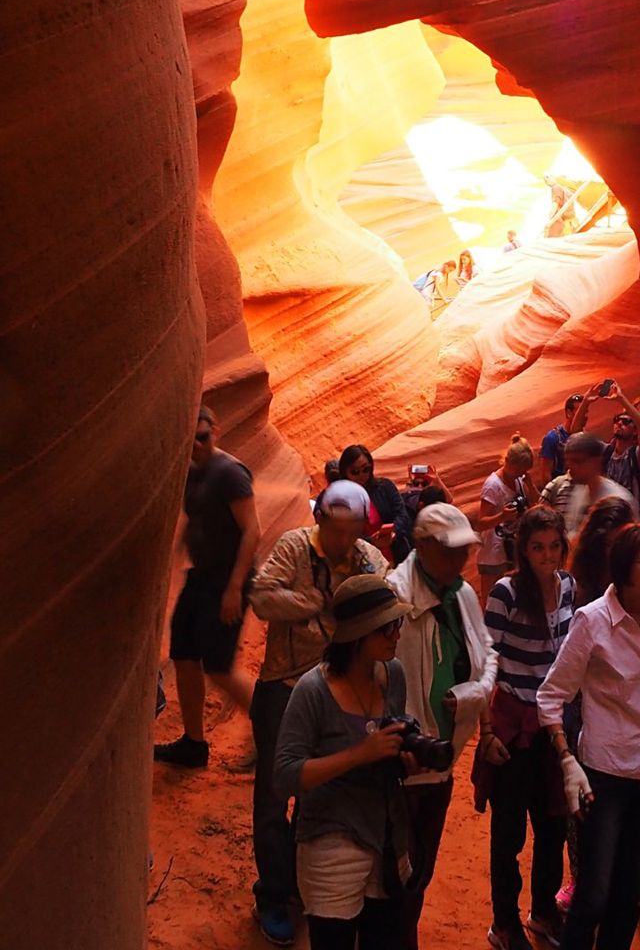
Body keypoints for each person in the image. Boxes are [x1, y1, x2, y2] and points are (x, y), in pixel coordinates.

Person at [248, 480, 389, 947]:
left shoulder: (368, 558)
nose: (345, 541)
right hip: (285, 685)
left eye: (353, 532)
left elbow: (385, 597)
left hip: (338, 692)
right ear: (320, 520)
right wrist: (310, 602)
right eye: (337, 531)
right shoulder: (294, 548)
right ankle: (273, 895)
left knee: (323, 788)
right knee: (275, 794)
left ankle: (301, 886)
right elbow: (261, 597)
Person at [538, 523, 640, 950]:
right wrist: (567, 760)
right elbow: (551, 696)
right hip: (605, 774)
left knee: (630, 889)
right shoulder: (592, 621)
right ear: (624, 569)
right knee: (594, 894)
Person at [273, 574, 414, 949]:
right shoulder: (313, 691)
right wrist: (358, 754)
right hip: (331, 846)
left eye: (397, 623)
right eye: (386, 628)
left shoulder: (393, 675)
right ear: (358, 635)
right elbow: (285, 775)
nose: (396, 635)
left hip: (386, 840)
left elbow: (389, 751)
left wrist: (404, 760)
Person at [387, 503, 498, 950]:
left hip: (442, 758)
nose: (459, 560)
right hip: (400, 765)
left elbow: (487, 655)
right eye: (450, 551)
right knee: (395, 871)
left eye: (463, 551)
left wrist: (475, 700)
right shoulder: (395, 597)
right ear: (422, 545)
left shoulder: (461, 594)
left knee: (421, 868)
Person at [477, 506, 575, 950]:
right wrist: (486, 733)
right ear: (523, 550)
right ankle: (504, 923)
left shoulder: (568, 586)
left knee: (553, 825)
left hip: (553, 726)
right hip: (514, 726)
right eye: (538, 547)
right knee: (509, 832)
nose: (547, 556)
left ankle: (543, 912)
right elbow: (486, 662)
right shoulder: (507, 593)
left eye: (554, 546)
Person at [156, 404, 260, 768]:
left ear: (215, 431)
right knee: (184, 655)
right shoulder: (192, 473)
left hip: (227, 580)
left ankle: (274, 735)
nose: (196, 446)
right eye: (190, 440)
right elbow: (195, 519)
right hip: (200, 577)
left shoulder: (230, 473)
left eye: (202, 438)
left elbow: (252, 531)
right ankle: (193, 744)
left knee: (219, 665)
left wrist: (235, 588)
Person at [568, 379, 640, 514]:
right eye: (617, 420)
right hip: (606, 514)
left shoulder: (638, 455)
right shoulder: (606, 451)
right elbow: (575, 432)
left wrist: (621, 399)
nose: (620, 423)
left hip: (629, 516)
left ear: (634, 431)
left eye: (626, 421)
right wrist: (585, 401)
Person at [540, 431, 634, 539]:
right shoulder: (578, 492)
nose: (570, 467)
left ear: (596, 461)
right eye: (568, 461)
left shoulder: (619, 499)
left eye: (577, 461)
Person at [478, 436, 536, 601]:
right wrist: (502, 516)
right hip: (492, 554)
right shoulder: (493, 485)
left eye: (524, 471)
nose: (521, 474)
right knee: (490, 601)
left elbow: (537, 504)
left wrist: (530, 485)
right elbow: (481, 523)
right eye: (519, 470)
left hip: (512, 550)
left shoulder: (519, 481)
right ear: (509, 462)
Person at [336, 446, 406, 561]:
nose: (361, 475)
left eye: (366, 469)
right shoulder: (340, 501)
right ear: (345, 473)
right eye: (355, 472)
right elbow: (344, 534)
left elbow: (402, 514)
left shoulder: (385, 487)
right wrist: (371, 542)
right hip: (362, 559)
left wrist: (393, 532)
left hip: (397, 553)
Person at [536, 394, 587, 491]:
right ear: (569, 413)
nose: (585, 415)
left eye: (586, 411)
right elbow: (545, 475)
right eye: (580, 411)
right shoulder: (552, 438)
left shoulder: (585, 438)